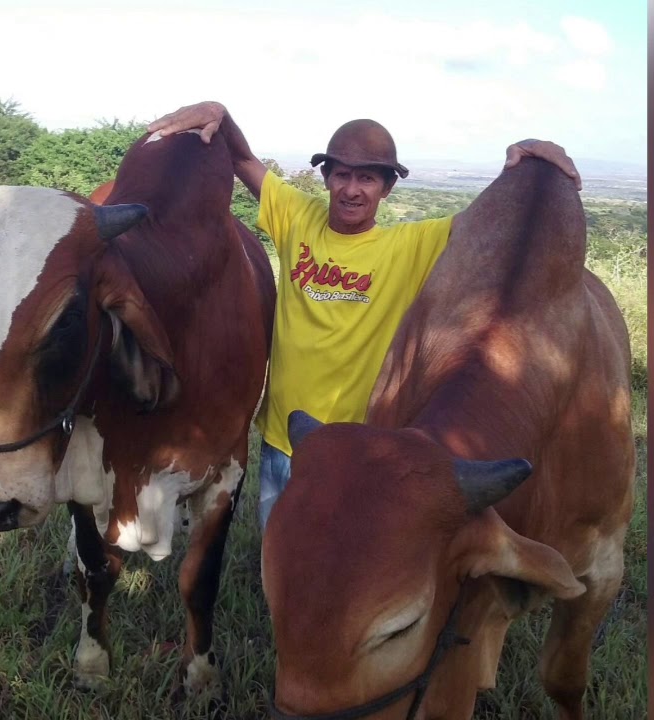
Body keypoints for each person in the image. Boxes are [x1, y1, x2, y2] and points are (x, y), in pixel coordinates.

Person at [147, 101, 581, 529]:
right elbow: (242, 158)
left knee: (339, 561)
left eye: (368, 178)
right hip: (282, 437)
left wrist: (527, 162)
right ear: (327, 178)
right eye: (343, 175)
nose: (352, 189)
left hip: (358, 445)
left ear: (387, 188)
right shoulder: (296, 217)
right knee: (279, 550)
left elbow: (490, 223)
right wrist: (220, 114)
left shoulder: (412, 246)